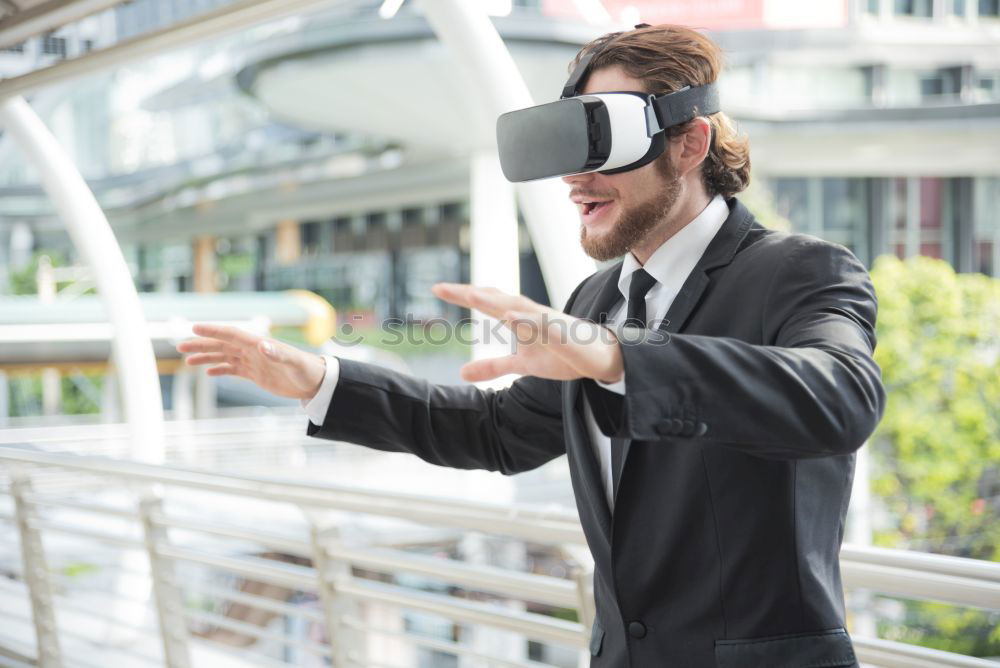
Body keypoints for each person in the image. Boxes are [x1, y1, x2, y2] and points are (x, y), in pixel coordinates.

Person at [178, 24, 884, 668]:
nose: (575, 178)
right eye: (570, 145)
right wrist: (321, 380)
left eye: (603, 143)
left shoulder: (798, 270)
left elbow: (841, 398)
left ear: (690, 144)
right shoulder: (596, 300)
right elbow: (497, 433)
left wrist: (618, 359)